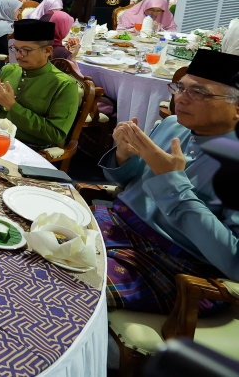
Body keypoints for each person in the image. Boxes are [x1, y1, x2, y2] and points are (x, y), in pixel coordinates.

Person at [94, 49, 239, 313]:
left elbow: (234, 262)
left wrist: (173, 184)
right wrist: (123, 155)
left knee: (72, 285)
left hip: (172, 262)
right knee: (37, 241)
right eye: (180, 88)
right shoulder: (173, 124)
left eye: (199, 92)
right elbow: (128, 185)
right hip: (116, 223)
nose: (180, 99)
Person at [0, 19, 80, 147]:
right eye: (16, 49)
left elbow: (56, 134)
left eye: (26, 50)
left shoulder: (64, 85)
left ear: (47, 51)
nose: (18, 56)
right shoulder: (9, 70)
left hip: (26, 147)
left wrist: (12, 105)